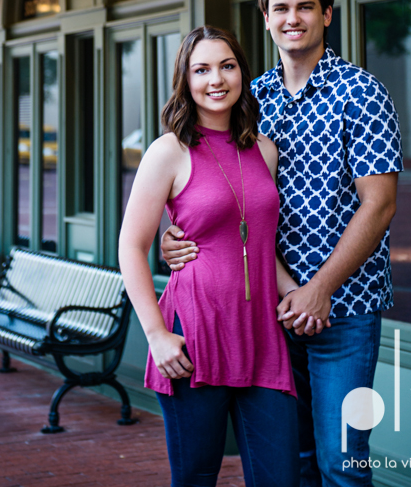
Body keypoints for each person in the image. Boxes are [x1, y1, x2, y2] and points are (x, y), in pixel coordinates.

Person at [162, 0, 401, 487]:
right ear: (266, 19)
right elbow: (218, 190)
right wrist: (176, 234)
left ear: (327, 15)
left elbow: (379, 206)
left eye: (305, 7)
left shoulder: (363, 92)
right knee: (290, 461)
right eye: (281, 9)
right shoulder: (251, 98)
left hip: (344, 308)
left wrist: (320, 290)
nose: (293, 19)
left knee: (340, 462)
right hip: (267, 312)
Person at [119, 25, 311, 487]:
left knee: (280, 478)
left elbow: (258, 243)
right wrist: (157, 336)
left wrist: (298, 294)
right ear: (185, 80)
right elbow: (131, 246)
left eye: (226, 66)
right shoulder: (169, 150)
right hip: (194, 335)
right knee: (197, 478)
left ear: (242, 72)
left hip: (262, 336)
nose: (216, 79)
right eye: (201, 69)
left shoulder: (264, 150)